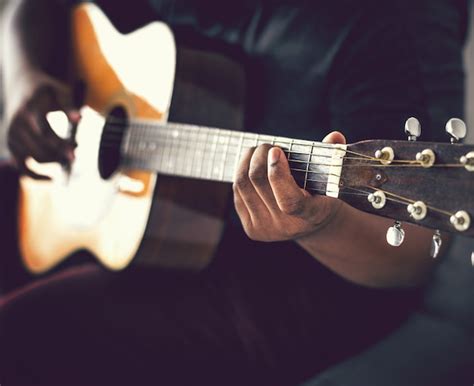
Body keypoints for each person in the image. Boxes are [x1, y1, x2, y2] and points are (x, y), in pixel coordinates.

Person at [0, 0, 468, 384]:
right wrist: (25, 79)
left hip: (295, 278)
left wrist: (322, 222)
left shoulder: (395, 22)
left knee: (21, 336)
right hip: (129, 203)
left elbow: (410, 258)